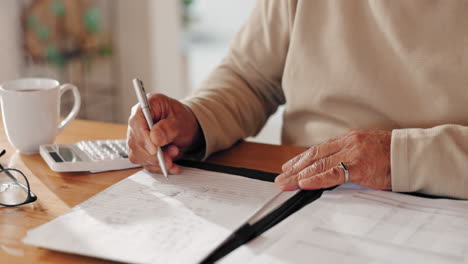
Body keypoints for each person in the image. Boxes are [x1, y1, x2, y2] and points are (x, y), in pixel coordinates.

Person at [127, 0, 468, 199]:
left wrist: (398, 157)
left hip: (446, 202)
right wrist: (194, 119)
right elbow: (249, 78)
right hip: (305, 200)